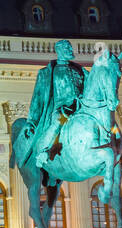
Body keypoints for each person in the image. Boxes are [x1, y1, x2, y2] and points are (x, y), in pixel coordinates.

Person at [24, 39, 85, 170]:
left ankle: (116, 151)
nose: (70, 50)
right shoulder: (48, 72)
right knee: (58, 121)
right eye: (67, 49)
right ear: (59, 51)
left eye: (70, 48)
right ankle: (42, 152)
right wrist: (31, 121)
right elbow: (38, 98)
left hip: (81, 107)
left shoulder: (79, 70)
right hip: (61, 108)